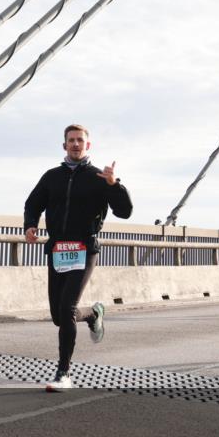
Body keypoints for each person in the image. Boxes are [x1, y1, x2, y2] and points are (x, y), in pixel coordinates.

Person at [24, 124, 133, 391]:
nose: (75, 144)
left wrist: (114, 184)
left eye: (80, 140)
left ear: (88, 145)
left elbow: (125, 211)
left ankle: (63, 373)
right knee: (58, 316)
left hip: (85, 249)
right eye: (71, 140)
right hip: (58, 250)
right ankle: (94, 314)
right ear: (64, 145)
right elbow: (33, 203)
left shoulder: (99, 177)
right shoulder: (52, 176)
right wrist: (30, 224)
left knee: (67, 309)